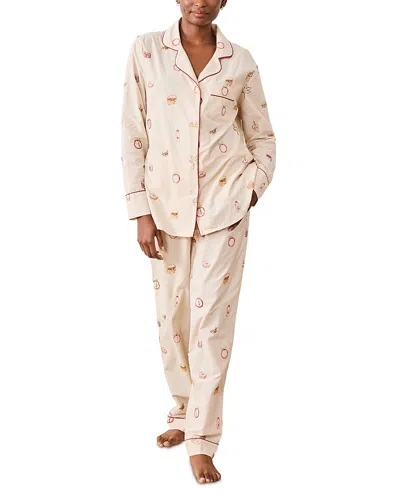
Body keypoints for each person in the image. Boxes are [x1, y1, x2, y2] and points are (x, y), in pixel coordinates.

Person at [121, 0, 276, 484]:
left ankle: (202, 440)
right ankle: (184, 411)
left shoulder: (240, 60)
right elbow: (133, 134)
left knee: (211, 325)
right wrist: (140, 211)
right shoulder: (147, 51)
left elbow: (263, 137)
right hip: (164, 208)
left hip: (225, 208)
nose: (200, 2)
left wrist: (251, 190)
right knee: (173, 318)